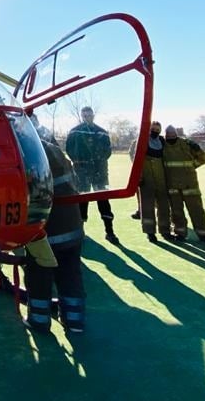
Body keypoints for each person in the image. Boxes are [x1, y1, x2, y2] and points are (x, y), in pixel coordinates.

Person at [24, 134, 86, 335]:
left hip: (45, 230)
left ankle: (39, 320)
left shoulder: (30, 154)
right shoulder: (55, 151)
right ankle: (74, 320)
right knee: (71, 274)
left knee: (39, 273)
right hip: (72, 227)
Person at [65, 106, 118, 244]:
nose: (88, 117)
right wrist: (80, 162)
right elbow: (69, 150)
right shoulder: (74, 132)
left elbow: (108, 151)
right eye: (85, 115)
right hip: (82, 172)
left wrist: (98, 161)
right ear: (82, 116)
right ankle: (80, 231)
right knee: (82, 201)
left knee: (104, 200)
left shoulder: (102, 132)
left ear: (93, 115)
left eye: (90, 114)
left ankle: (110, 231)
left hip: (99, 172)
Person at [162, 125, 205, 242]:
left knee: (196, 211)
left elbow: (204, 158)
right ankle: (180, 233)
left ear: (176, 135)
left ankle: (204, 234)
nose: (170, 137)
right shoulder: (162, 146)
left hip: (189, 185)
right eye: (168, 136)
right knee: (176, 212)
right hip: (172, 187)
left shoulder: (187, 144)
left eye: (172, 135)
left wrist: (192, 165)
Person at [131, 120, 174, 243]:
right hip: (146, 177)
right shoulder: (141, 141)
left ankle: (165, 230)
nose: (155, 131)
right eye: (152, 129)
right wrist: (138, 177)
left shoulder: (162, 141)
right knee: (147, 206)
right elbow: (135, 160)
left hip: (161, 177)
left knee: (164, 206)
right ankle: (150, 232)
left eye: (157, 129)